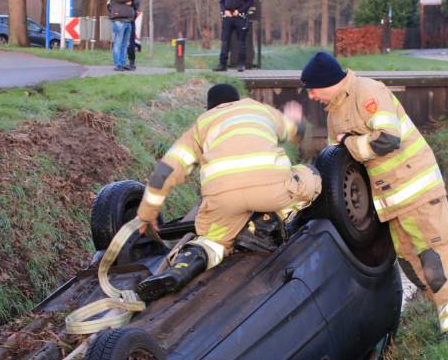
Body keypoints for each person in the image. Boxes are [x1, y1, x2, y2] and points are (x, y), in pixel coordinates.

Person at [300, 51, 448, 333]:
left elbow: (387, 139)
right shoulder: (334, 114)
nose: (310, 96)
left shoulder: (368, 92)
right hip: (390, 203)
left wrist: (350, 143)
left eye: (312, 88)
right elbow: (339, 165)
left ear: (326, 82)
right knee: (413, 264)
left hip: (417, 191)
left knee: (436, 256)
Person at [135, 83, 321, 301]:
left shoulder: (201, 125)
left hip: (224, 198)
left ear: (209, 108)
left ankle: (181, 268)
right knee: (310, 177)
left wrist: (146, 214)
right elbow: (296, 132)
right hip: (270, 189)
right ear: (238, 99)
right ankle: (265, 222)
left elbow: (163, 173)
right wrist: (295, 118)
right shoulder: (258, 109)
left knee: (214, 242)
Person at [213, 0, 255, 73]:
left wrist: (239, 10)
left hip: (240, 17)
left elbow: (250, 1)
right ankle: (222, 65)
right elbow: (221, 1)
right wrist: (224, 11)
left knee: (241, 42)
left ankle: (241, 65)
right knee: (225, 41)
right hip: (228, 17)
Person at [109, 0, 139, 72]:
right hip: (119, 20)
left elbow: (136, 2)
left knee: (124, 44)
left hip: (128, 20)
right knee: (118, 43)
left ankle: (122, 63)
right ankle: (117, 65)